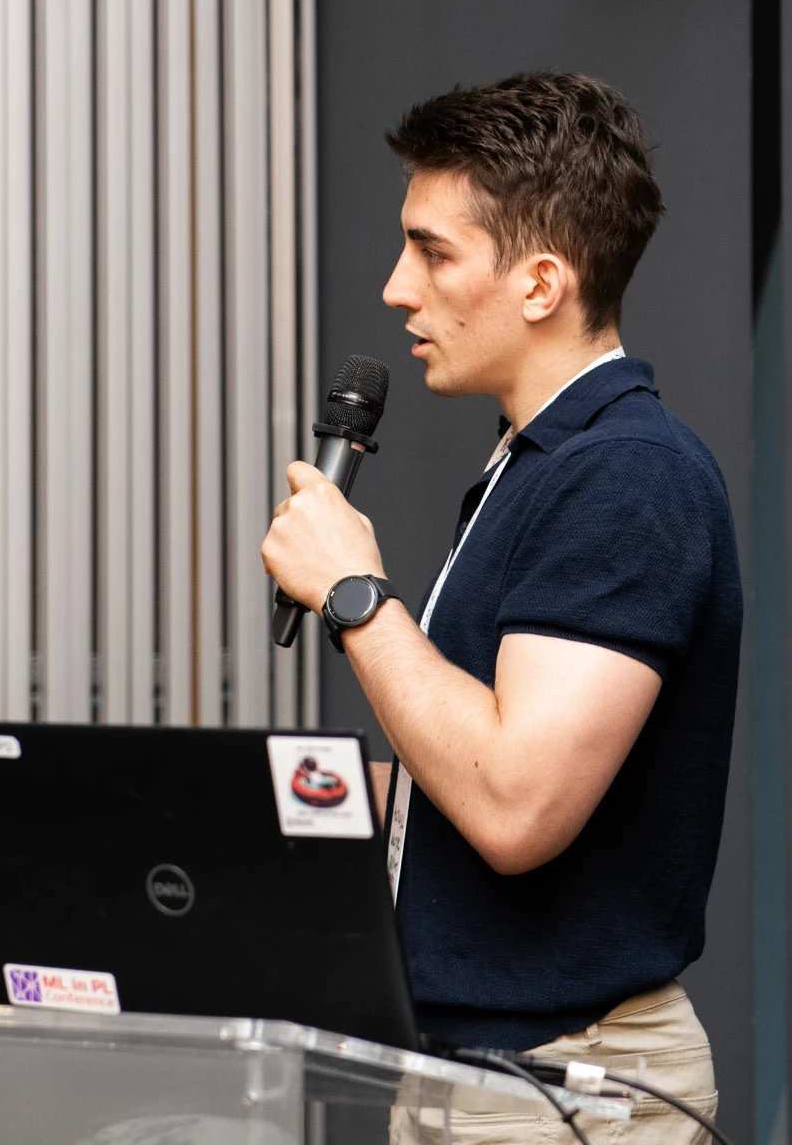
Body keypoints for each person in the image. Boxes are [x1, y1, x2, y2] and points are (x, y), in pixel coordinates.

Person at [261, 71, 742, 1143]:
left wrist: (356, 594)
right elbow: (485, 755)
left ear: (540, 284)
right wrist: (306, 802)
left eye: (432, 253)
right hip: (482, 1073)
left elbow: (517, 806)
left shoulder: (628, 474)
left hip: (568, 1084)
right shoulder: (537, 464)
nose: (397, 288)